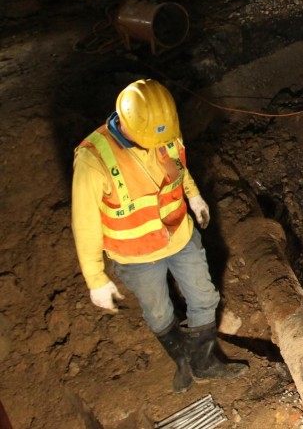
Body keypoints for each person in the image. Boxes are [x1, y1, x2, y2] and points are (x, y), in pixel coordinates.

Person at [71, 79, 247, 394]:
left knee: (204, 297)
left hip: (179, 235)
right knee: (158, 311)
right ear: (126, 123)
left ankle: (204, 362)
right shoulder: (93, 159)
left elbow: (177, 168)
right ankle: (182, 360)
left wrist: (193, 196)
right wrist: (95, 278)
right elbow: (84, 224)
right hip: (135, 254)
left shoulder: (163, 130)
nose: (158, 144)